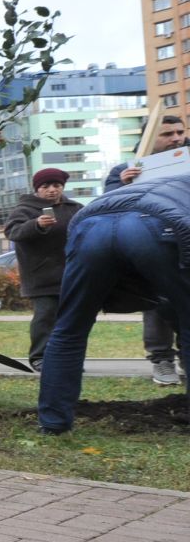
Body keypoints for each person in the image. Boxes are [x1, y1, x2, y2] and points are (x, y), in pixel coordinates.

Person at [37, 170, 190, 433]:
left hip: (90, 225)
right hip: (156, 223)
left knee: (69, 330)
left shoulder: (168, 180)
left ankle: (53, 423)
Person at [103, 113, 187, 385]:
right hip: (152, 248)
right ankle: (161, 359)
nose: (176, 138)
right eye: (167, 134)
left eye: (179, 132)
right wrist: (124, 186)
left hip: (185, 244)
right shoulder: (124, 171)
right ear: (150, 139)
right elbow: (108, 210)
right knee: (157, 304)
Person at [2, 167, 83, 371]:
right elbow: (13, 232)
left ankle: (68, 358)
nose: (52, 190)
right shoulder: (25, 209)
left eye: (57, 185)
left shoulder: (74, 208)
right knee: (45, 317)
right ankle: (39, 357)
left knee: (72, 319)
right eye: (45, 186)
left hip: (72, 274)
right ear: (37, 189)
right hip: (41, 276)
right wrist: (36, 224)